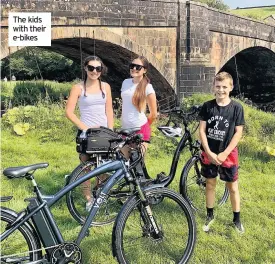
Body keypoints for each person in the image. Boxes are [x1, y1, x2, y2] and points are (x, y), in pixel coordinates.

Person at [198, 71, 245, 234]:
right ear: (213, 87)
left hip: (228, 154)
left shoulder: (236, 108)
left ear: (231, 87)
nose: (221, 90)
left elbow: (238, 132)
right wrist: (209, 152)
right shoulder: (207, 106)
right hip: (209, 152)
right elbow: (202, 130)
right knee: (210, 184)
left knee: (232, 187)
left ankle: (237, 219)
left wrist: (225, 153)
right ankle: (210, 215)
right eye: (218, 86)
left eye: (224, 87)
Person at [66, 55, 114, 211]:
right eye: (91, 68)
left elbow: (109, 110)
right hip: (87, 133)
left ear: (101, 70)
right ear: (85, 68)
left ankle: (100, 195)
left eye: (98, 68)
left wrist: (111, 131)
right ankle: (88, 199)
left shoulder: (105, 87)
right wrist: (85, 128)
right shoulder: (78, 88)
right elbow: (69, 112)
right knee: (86, 167)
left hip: (103, 132)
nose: (95, 71)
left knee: (103, 167)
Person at [121, 56, 157, 152]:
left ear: (144, 70)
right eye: (132, 66)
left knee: (138, 165)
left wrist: (144, 127)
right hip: (125, 129)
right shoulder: (125, 82)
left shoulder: (148, 87)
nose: (134, 69)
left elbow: (153, 114)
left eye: (138, 67)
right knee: (123, 163)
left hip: (140, 129)